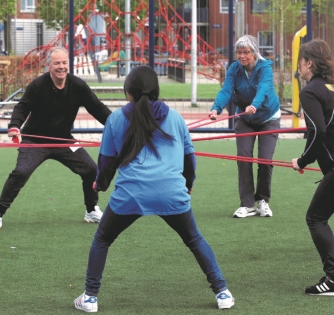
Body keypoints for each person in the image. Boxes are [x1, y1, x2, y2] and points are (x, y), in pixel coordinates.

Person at [74, 65, 235, 312]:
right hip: (171, 192)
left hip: (130, 195)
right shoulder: (175, 118)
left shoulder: (115, 119)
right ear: (156, 91)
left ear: (128, 92)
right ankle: (222, 292)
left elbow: (105, 164)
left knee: (102, 239)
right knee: (193, 239)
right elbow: (189, 159)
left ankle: (90, 298)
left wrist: (100, 185)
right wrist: (188, 184)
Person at [0, 47, 111, 232]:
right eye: (57, 63)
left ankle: (91, 211)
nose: (61, 67)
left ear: (69, 64)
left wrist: (116, 125)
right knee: (21, 172)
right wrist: (14, 126)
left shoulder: (78, 86)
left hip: (64, 141)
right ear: (49, 66)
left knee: (91, 169)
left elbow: (97, 108)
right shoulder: (38, 86)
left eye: (64, 63)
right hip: (36, 141)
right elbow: (22, 107)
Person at [291, 39, 334, 296]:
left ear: (309, 63)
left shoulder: (311, 91)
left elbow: (318, 132)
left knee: (316, 218)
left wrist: (301, 161)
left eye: (300, 61)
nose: (298, 66)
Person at [209, 34, 280, 218]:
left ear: (254, 53)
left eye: (246, 52)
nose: (242, 56)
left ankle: (263, 201)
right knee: (243, 158)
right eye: (239, 53)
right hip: (245, 119)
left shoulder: (265, 68)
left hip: (268, 118)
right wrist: (216, 109)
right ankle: (247, 204)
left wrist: (254, 105)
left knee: (265, 159)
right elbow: (226, 90)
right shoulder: (234, 69)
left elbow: (264, 88)